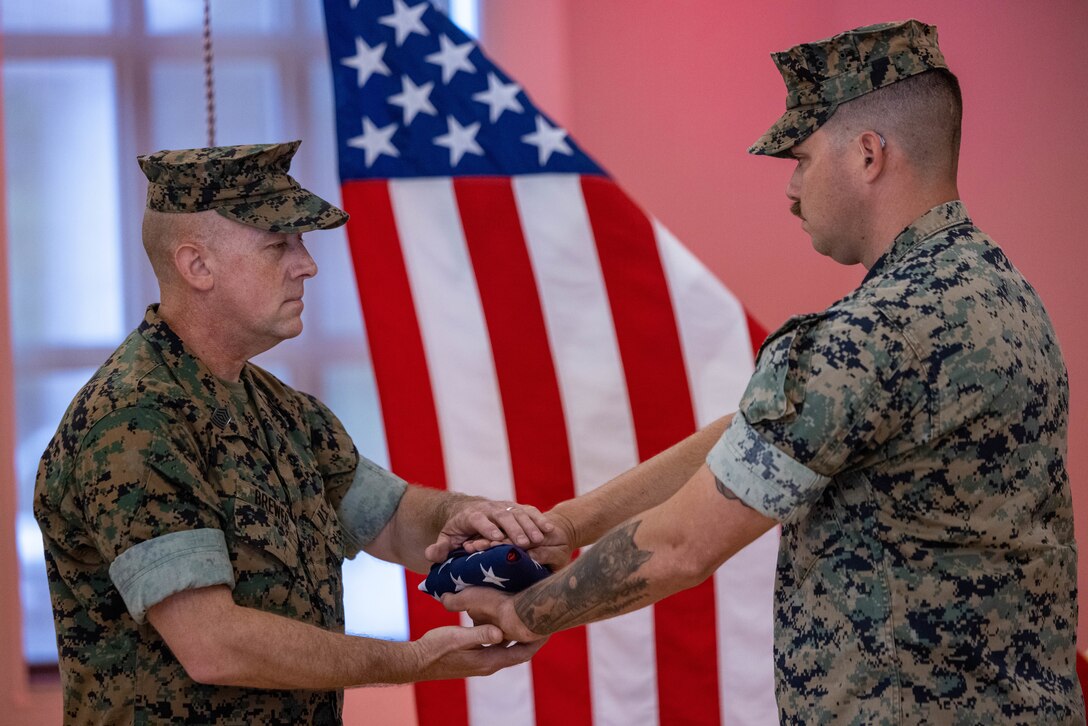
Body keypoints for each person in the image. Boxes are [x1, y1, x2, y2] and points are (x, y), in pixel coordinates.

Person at [442, 20, 1083, 723]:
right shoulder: (1001, 293)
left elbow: (684, 544)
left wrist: (524, 614)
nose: (792, 189)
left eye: (802, 159)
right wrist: (566, 525)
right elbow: (751, 439)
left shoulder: (875, 330)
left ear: (869, 155)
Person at [33, 140, 555, 725]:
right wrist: (412, 661)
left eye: (301, 244)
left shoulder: (283, 410)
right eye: (278, 245)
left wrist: (460, 517)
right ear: (197, 266)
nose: (306, 264)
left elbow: (393, 519)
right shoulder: (132, 421)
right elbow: (212, 644)